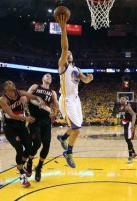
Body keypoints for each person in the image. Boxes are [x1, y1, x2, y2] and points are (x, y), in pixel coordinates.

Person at [55, 14, 93, 168]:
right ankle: (68, 152)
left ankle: (63, 138)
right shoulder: (62, 65)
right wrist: (63, 29)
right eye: (67, 53)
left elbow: (84, 80)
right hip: (66, 99)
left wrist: (89, 78)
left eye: (70, 53)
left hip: (76, 99)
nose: (68, 53)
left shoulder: (77, 69)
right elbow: (64, 47)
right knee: (76, 130)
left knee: (77, 126)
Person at [0, 80, 43, 188]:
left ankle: (20, 166)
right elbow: (11, 115)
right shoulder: (2, 99)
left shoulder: (21, 93)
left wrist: (39, 100)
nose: (12, 84)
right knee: (19, 148)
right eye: (9, 83)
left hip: (21, 125)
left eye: (13, 83)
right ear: (5, 88)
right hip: (10, 127)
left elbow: (32, 96)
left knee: (29, 147)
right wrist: (25, 118)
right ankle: (22, 175)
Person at [25, 73, 59, 182]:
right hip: (35, 119)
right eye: (46, 75)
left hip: (46, 120)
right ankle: (29, 161)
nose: (48, 76)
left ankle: (39, 167)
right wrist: (35, 99)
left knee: (46, 145)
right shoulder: (35, 87)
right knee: (37, 143)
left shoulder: (52, 92)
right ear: (43, 78)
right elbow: (26, 96)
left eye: (50, 76)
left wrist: (62, 101)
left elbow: (57, 106)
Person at [119, 96, 137, 163]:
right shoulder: (121, 108)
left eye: (123, 99)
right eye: (121, 99)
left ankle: (130, 156)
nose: (122, 100)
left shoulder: (127, 107)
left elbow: (134, 115)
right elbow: (122, 116)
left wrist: (132, 125)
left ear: (126, 100)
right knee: (127, 140)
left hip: (129, 124)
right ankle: (134, 153)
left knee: (128, 139)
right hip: (125, 124)